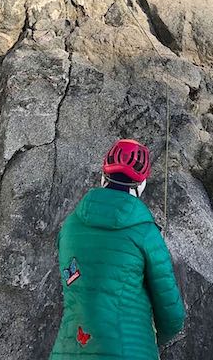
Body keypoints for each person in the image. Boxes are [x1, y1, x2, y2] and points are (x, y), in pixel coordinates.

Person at [50, 138, 185, 359]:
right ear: (141, 184)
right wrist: (146, 342)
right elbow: (172, 315)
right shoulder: (145, 233)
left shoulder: (70, 226)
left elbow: (74, 285)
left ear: (103, 176)